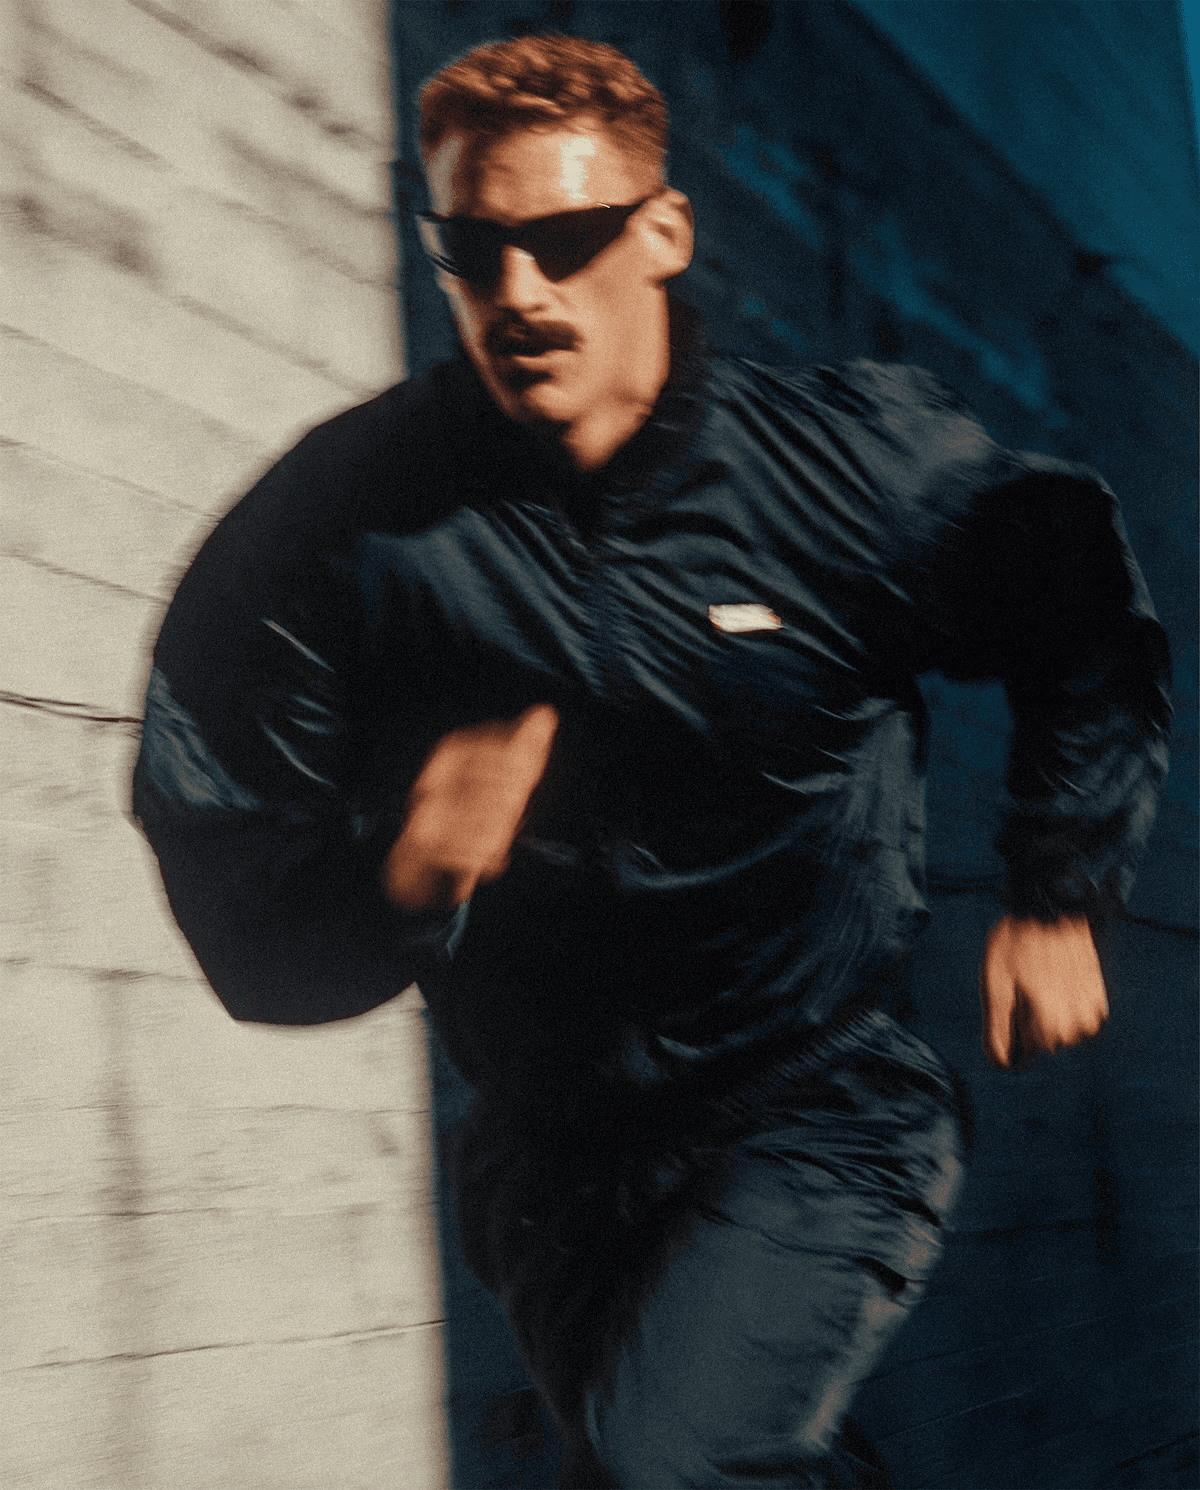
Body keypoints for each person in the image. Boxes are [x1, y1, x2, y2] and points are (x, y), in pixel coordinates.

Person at [132, 34, 1171, 1489]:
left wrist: (1059, 883)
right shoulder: (348, 522)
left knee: (666, 1466)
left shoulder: (843, 470)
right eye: (477, 252)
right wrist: (397, 875)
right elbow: (225, 836)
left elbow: (1075, 603)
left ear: (664, 233)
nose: (521, 296)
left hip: (814, 1106)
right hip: (553, 1164)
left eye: (565, 242)